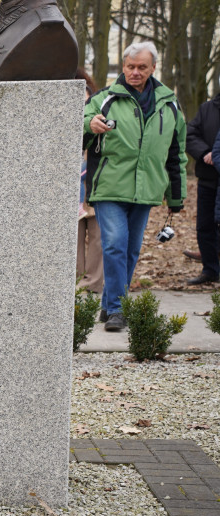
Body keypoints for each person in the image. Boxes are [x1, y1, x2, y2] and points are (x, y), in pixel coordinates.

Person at [85, 41, 186, 331]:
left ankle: (109, 304)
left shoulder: (170, 104)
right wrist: (88, 124)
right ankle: (118, 308)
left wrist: (176, 197)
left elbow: (176, 153)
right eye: (130, 66)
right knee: (115, 244)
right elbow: (77, 124)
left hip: (147, 189)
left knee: (130, 249)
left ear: (153, 68)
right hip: (109, 187)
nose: (135, 72)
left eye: (142, 67)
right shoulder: (105, 98)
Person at [185, 85, 220, 285]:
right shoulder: (207, 109)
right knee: (205, 226)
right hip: (208, 177)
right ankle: (210, 270)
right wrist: (206, 152)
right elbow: (190, 135)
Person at [76, 67, 102, 294]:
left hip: (93, 181)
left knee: (97, 237)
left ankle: (93, 283)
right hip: (69, 186)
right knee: (71, 236)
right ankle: (75, 281)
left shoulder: (99, 107)